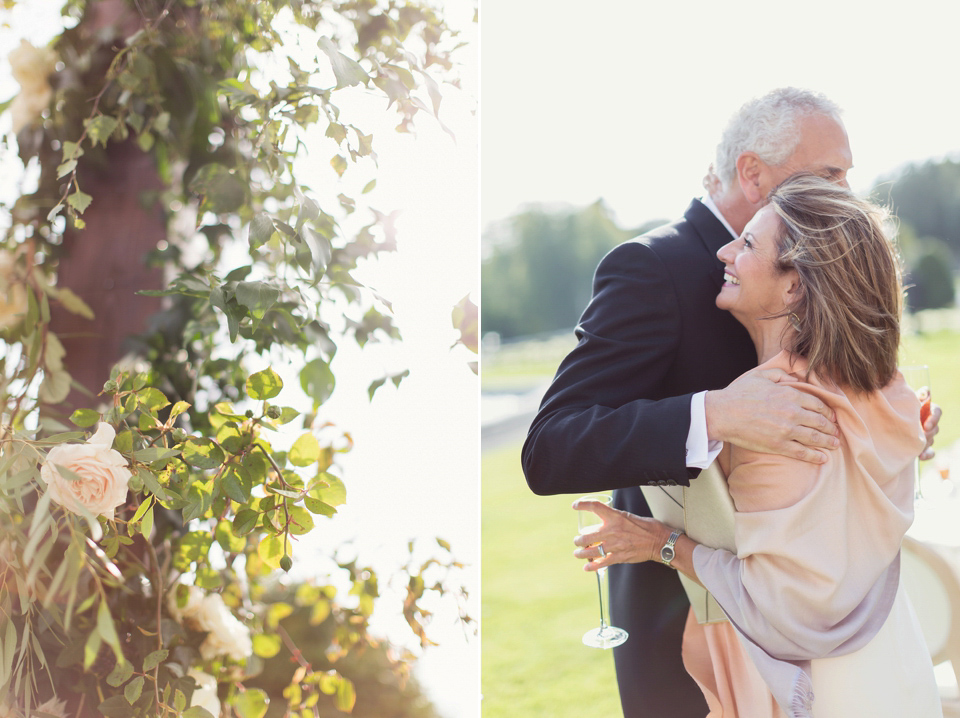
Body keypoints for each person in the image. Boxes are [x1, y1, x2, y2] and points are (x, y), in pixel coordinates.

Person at [521, 87, 942, 717]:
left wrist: (891, 437)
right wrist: (713, 414)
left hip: (824, 631)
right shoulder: (649, 269)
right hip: (687, 638)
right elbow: (551, 448)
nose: (846, 191)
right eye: (831, 172)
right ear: (752, 173)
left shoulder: (823, 261)